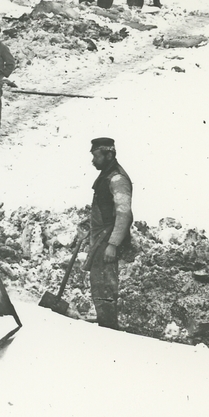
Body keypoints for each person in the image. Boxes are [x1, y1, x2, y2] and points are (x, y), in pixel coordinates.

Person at [85, 137, 133, 330]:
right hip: (101, 237)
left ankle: (109, 327)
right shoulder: (106, 175)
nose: (93, 160)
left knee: (105, 283)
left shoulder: (117, 178)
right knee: (98, 281)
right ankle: (104, 320)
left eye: (96, 156)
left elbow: (124, 213)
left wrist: (113, 244)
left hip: (107, 240)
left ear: (109, 154)